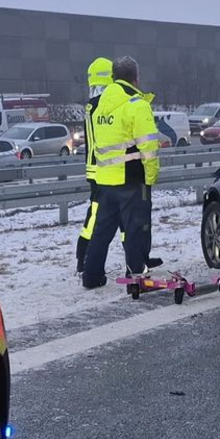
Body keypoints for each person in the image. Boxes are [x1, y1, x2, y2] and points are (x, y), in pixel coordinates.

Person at [81, 56, 160, 289]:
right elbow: (149, 147)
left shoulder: (99, 106)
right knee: (135, 230)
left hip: (105, 180)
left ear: (114, 77)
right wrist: (151, 176)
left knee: (101, 233)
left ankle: (91, 276)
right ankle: (138, 279)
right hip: (132, 179)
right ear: (136, 78)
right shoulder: (136, 104)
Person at [75, 55, 112, 273]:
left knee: (96, 214)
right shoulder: (100, 106)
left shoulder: (91, 105)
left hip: (97, 170)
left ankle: (84, 256)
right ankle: (84, 257)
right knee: (96, 215)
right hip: (101, 171)